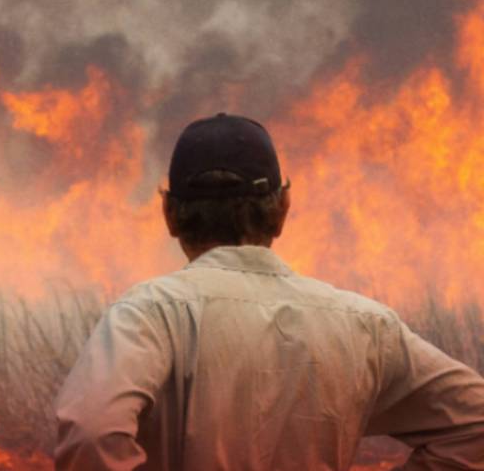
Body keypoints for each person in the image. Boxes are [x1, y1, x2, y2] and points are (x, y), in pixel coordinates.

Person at [54, 113, 484, 470]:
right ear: (282, 210)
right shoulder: (366, 327)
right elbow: (473, 422)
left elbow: (91, 433)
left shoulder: (148, 315)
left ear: (170, 214)